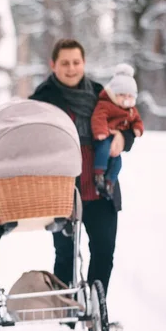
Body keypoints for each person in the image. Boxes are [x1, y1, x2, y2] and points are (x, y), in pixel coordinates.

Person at [29, 39, 136, 298]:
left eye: (76, 62)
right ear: (53, 64)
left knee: (103, 250)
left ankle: (95, 311)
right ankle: (65, 314)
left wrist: (124, 138)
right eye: (64, 63)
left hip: (101, 187)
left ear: (84, 63)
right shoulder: (42, 99)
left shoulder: (101, 93)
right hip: (62, 189)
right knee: (65, 254)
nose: (71, 68)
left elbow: (129, 119)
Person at [91, 63, 144, 199]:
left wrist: (137, 129)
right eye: (121, 95)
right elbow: (99, 117)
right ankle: (99, 173)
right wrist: (101, 131)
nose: (126, 99)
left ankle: (110, 182)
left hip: (118, 141)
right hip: (106, 136)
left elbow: (137, 120)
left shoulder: (132, 110)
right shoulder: (106, 105)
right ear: (113, 94)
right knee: (103, 149)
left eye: (129, 96)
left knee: (117, 162)